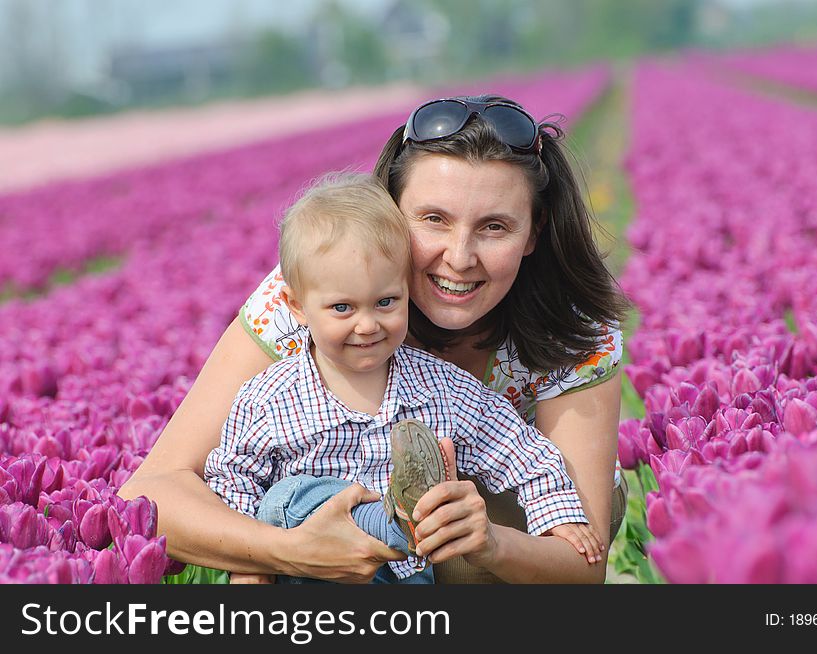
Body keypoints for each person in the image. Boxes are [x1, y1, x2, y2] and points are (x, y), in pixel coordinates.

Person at [120, 94, 630, 584]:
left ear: (534, 232)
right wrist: (287, 553)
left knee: (459, 539)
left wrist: (492, 543)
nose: (459, 256)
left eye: (494, 227)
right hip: (322, 532)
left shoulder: (574, 334)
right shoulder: (318, 297)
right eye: (433, 219)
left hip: (495, 541)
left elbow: (581, 564)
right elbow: (151, 493)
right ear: (388, 213)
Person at [204, 173, 604, 584]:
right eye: (342, 308)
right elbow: (233, 479)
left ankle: (399, 524)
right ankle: (392, 519)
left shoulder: (440, 388)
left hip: (401, 575)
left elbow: (520, 450)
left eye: (385, 302)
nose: (367, 325)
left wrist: (557, 517)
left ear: (406, 291)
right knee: (287, 498)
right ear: (297, 306)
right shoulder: (268, 397)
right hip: (303, 567)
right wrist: (249, 568)